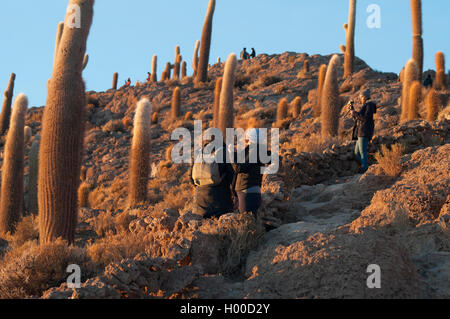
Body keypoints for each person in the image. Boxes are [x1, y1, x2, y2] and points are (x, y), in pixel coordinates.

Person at [191, 136, 234, 219]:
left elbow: (191, 178)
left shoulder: (199, 154)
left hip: (199, 205)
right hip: (221, 203)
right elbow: (231, 176)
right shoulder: (224, 152)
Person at [232, 128, 267, 217]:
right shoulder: (255, 151)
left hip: (247, 191)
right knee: (249, 220)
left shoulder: (254, 150)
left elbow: (239, 168)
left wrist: (232, 155)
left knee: (247, 221)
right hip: (248, 191)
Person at [350, 90, 377, 174]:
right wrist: (354, 112)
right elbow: (360, 117)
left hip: (364, 131)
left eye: (360, 97)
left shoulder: (369, 105)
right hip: (360, 132)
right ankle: (364, 165)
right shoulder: (366, 105)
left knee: (362, 151)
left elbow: (365, 118)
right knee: (356, 152)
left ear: (364, 97)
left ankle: (365, 168)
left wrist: (355, 113)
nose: (360, 99)